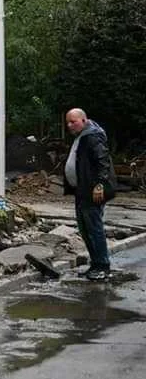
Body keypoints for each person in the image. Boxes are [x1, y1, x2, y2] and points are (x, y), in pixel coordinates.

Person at [64, 108, 116, 281]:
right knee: (85, 229)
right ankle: (95, 264)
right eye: (68, 122)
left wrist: (100, 184)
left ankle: (102, 266)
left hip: (92, 191)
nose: (70, 125)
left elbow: (102, 161)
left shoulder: (93, 136)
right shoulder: (82, 137)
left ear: (84, 120)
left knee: (94, 228)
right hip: (82, 190)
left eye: (73, 121)